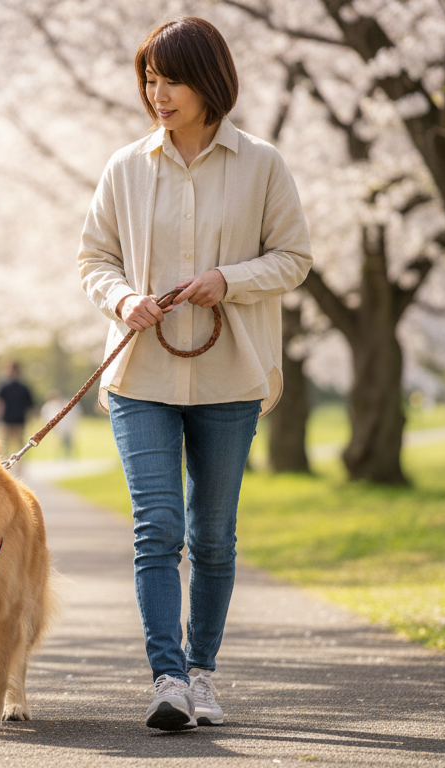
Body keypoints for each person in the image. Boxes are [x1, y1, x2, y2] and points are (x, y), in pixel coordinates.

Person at [77, 18, 312, 731]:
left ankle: (202, 671)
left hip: (230, 375)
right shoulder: (125, 166)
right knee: (157, 527)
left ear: (209, 83)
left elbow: (294, 258)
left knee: (212, 535)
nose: (158, 93)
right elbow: (94, 259)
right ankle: (168, 678)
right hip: (140, 375)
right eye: (150, 78)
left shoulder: (262, 164)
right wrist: (124, 298)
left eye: (172, 79)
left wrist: (228, 280)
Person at [0, 360, 35, 461]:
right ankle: (5, 464)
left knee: (20, 446)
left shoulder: (23, 388)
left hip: (19, 420)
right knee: (5, 446)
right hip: (7, 420)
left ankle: (20, 466)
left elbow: (30, 405)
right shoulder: (3, 387)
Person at [39, 392, 78, 458]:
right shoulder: (49, 407)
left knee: (68, 442)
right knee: (57, 442)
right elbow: (46, 417)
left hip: (66, 426)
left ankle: (69, 455)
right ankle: (58, 456)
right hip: (56, 428)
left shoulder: (64, 404)